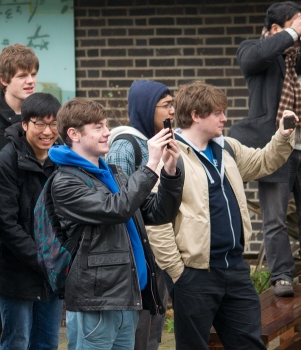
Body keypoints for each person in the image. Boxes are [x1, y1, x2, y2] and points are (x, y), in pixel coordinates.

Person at [146, 81, 296, 349]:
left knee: (249, 344)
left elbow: (262, 162)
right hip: (194, 275)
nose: (225, 118)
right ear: (195, 115)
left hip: (235, 269)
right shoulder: (171, 154)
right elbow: (156, 221)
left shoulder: (226, 147)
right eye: (217, 113)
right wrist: (177, 271)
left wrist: (282, 137)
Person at [228, 1, 301, 297]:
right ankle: (281, 277)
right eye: (297, 23)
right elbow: (253, 60)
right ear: (277, 28)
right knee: (275, 218)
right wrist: (292, 33)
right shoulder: (256, 49)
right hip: (274, 149)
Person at [48, 97, 183, 350]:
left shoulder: (114, 173)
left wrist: (170, 172)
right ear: (74, 133)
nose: (107, 132)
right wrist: (150, 164)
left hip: (127, 296)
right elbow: (116, 209)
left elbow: (157, 213)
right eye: (98, 126)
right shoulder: (65, 181)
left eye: (106, 125)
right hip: (98, 302)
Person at [0, 92, 63, 350]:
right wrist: (41, 259)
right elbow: (4, 224)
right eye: (39, 123)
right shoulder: (5, 162)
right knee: (16, 343)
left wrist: (57, 259)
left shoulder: (62, 160)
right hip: (16, 272)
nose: (47, 131)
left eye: (53, 124)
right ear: (24, 124)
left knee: (48, 343)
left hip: (52, 273)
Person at [106, 80, 173, 350]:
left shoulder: (157, 142)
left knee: (153, 334)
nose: (172, 111)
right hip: (137, 260)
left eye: (173, 104)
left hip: (159, 255)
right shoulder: (125, 146)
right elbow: (120, 204)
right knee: (137, 336)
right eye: (166, 105)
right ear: (147, 108)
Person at [0, 43, 39, 165]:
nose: (31, 81)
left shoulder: (42, 115)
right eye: (22, 76)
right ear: (3, 79)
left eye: (33, 74)